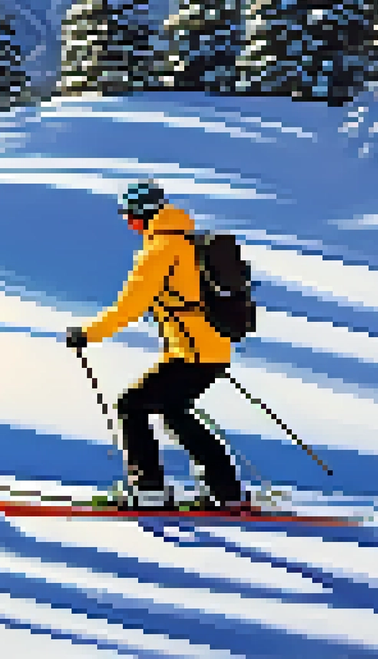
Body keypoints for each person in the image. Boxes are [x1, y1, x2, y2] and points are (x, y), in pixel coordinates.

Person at [66, 180, 246, 511]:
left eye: (128, 216)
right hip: (206, 350)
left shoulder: (160, 250)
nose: (128, 224)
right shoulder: (185, 241)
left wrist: (87, 334)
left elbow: (130, 307)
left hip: (193, 353)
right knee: (173, 412)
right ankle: (226, 490)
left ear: (142, 214)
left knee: (130, 406)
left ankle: (149, 490)